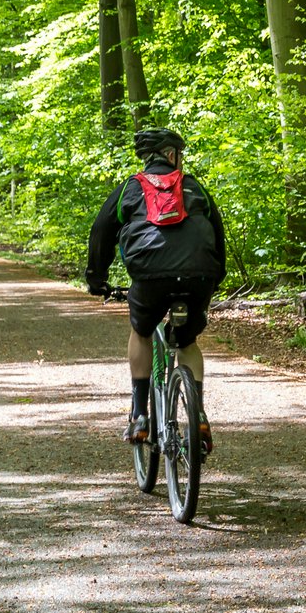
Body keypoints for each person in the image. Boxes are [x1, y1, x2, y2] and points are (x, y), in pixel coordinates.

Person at [86, 127, 225, 449]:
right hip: (199, 276)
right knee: (187, 340)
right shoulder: (195, 187)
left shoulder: (129, 189)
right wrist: (214, 278)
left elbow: (101, 233)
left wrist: (96, 279)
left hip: (150, 279)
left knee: (142, 330)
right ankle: (199, 417)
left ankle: (139, 415)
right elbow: (217, 236)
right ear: (172, 154)